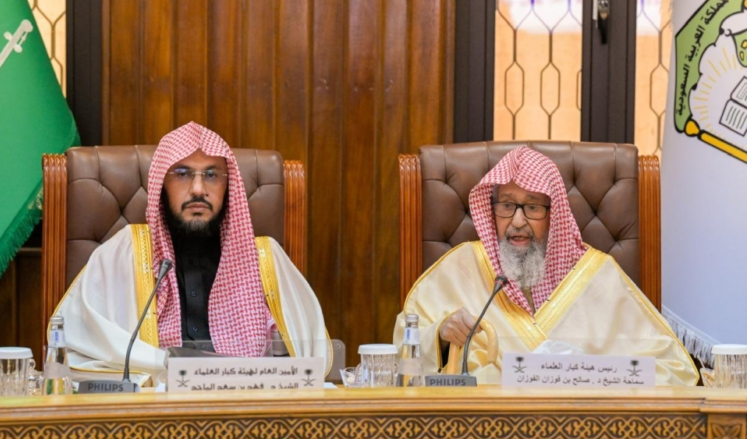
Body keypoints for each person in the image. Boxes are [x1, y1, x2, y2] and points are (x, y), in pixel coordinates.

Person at [394, 146, 697, 386]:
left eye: (533, 207)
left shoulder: (599, 277)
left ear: (555, 215)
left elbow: (675, 370)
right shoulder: (461, 268)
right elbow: (398, 361)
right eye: (507, 205)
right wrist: (440, 336)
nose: (517, 221)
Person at [57, 122, 330, 384]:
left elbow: (309, 362)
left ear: (228, 186)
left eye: (211, 175)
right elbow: (75, 345)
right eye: (183, 174)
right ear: (161, 185)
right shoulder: (123, 253)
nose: (198, 189)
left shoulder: (266, 260)